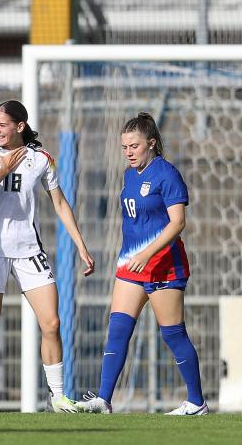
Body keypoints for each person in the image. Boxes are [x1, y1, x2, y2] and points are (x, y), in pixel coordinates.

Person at [0, 100, 94, 413]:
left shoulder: (41, 159)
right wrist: (5, 168)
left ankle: (59, 397)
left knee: (52, 322)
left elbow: (60, 204)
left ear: (20, 126)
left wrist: (80, 244)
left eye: (2, 124)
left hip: (29, 251)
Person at [77, 113, 206, 415]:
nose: (129, 152)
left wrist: (147, 254)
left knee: (173, 334)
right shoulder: (128, 174)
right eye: (124, 147)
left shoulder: (167, 174)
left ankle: (197, 402)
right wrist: (135, 257)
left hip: (162, 265)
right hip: (130, 265)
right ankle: (104, 399)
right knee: (118, 329)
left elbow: (177, 223)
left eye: (134, 146)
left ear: (151, 143)